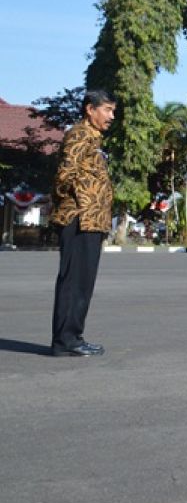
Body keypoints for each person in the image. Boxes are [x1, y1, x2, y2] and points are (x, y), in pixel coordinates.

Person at [49, 89, 116, 357]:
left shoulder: (93, 138)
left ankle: (73, 337)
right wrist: (75, 205)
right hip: (80, 219)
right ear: (90, 109)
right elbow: (65, 175)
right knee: (74, 282)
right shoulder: (79, 134)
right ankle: (66, 341)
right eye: (107, 110)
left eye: (113, 111)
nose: (112, 116)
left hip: (91, 222)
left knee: (82, 283)